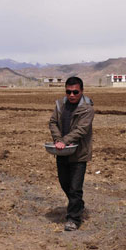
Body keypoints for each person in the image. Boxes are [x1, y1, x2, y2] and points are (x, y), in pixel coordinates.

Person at [49, 76, 94, 231]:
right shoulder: (60, 105)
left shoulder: (87, 108)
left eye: (75, 92)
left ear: (81, 91)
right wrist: (57, 139)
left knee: (75, 188)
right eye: (68, 92)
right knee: (64, 183)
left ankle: (73, 219)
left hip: (79, 153)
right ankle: (78, 205)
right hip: (62, 152)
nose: (72, 95)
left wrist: (64, 140)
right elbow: (53, 122)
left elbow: (82, 129)